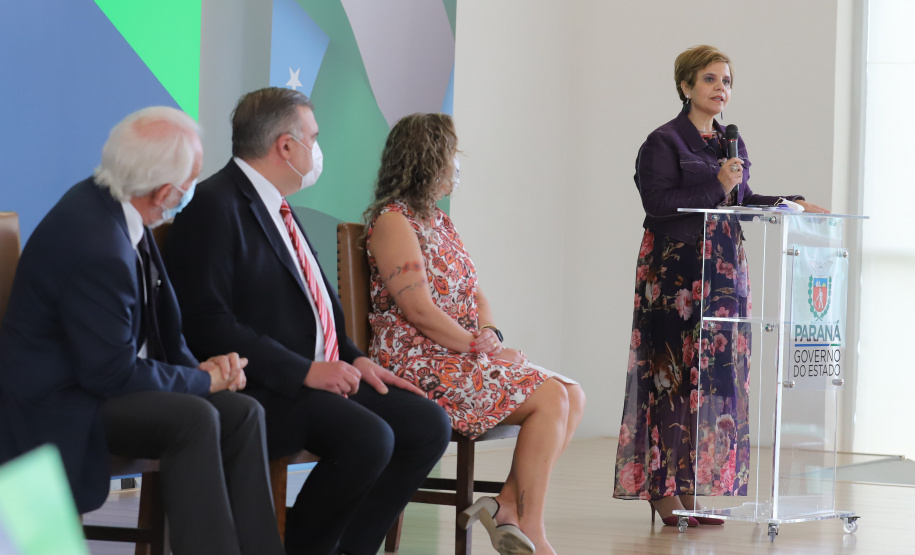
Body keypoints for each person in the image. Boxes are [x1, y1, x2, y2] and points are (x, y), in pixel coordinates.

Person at [163, 87, 452, 555]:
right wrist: (304, 371)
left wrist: (356, 359)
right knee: (368, 438)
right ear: (285, 146)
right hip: (265, 386)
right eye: (313, 138)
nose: (316, 150)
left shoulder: (279, 205)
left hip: (320, 376)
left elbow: (318, 308)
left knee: (427, 424)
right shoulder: (214, 206)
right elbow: (206, 323)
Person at [0, 107, 284, 555]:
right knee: (194, 417)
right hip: (64, 401)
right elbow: (109, 374)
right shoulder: (97, 244)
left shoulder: (118, 204)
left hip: (101, 381)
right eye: (192, 179)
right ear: (165, 192)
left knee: (242, 412)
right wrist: (201, 381)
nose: (193, 188)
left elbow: (158, 331)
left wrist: (204, 372)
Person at [612, 45, 829, 527]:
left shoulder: (729, 143)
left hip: (725, 272)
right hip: (676, 274)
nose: (720, 88)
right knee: (672, 379)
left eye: (726, 80)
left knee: (714, 382)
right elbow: (658, 204)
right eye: (710, 79)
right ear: (685, 85)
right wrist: (718, 182)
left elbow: (741, 198)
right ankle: (664, 491)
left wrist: (790, 203)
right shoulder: (663, 141)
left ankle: (695, 488)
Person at [363, 113, 586, 555]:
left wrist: (488, 334)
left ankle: (508, 505)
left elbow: (476, 294)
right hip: (417, 359)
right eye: (451, 155)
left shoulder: (440, 222)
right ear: (427, 160)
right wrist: (477, 350)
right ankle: (530, 528)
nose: (456, 165)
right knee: (550, 397)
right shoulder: (392, 221)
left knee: (572, 394)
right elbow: (418, 310)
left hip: (457, 353)